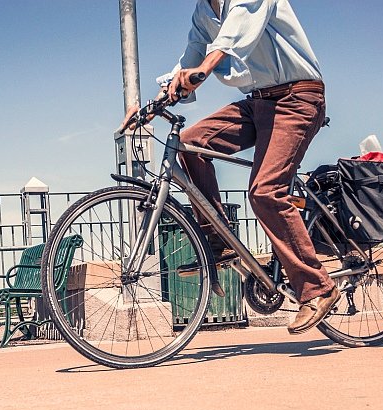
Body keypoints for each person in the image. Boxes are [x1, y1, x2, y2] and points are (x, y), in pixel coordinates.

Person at [121, 0, 339, 335]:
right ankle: (217, 242)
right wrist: (153, 104)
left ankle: (317, 287)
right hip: (259, 101)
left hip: (298, 98)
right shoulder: (202, 12)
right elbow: (191, 56)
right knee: (191, 143)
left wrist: (204, 71)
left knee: (266, 191)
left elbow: (234, 35)